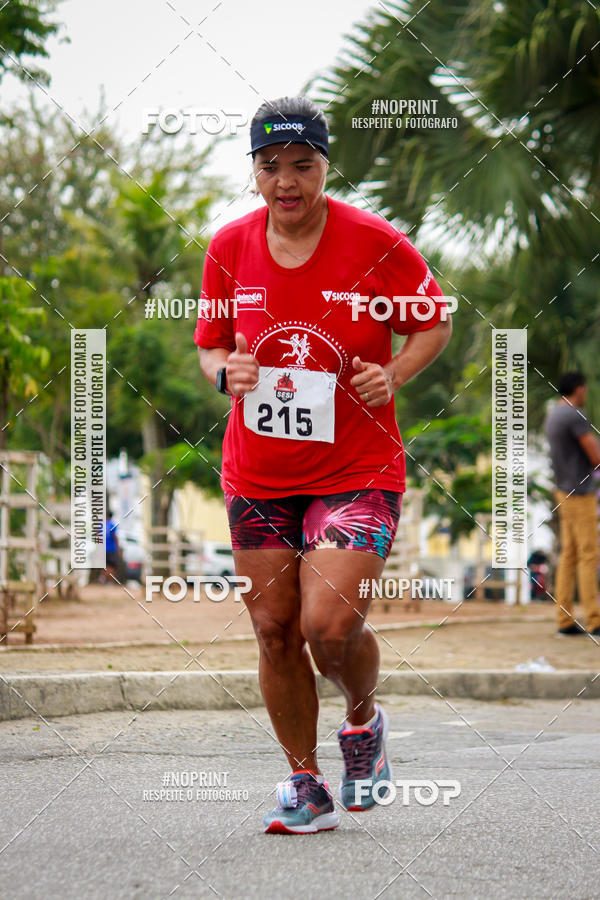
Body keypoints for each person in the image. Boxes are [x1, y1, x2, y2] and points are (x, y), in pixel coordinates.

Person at [195, 96, 452, 834]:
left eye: (302, 166)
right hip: (259, 472)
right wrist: (224, 375)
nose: (287, 181)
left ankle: (364, 722)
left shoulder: (377, 243)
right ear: (254, 172)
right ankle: (304, 785)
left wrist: (395, 371)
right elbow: (211, 341)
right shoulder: (228, 246)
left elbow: (432, 320)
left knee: (327, 627)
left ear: (324, 168)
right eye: (270, 166)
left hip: (357, 468)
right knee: (274, 629)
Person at [544, 371, 600, 636]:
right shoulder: (574, 416)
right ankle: (595, 619)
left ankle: (564, 619)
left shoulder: (554, 414)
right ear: (578, 389)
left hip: (562, 491)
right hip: (580, 494)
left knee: (569, 556)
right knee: (589, 555)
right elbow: (596, 455)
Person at [102, 509, 119, 584]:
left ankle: (103, 578)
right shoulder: (112, 525)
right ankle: (109, 581)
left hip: (104, 548)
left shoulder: (102, 525)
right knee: (112, 567)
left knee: (105, 565)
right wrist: (118, 547)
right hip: (111, 549)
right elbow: (115, 536)